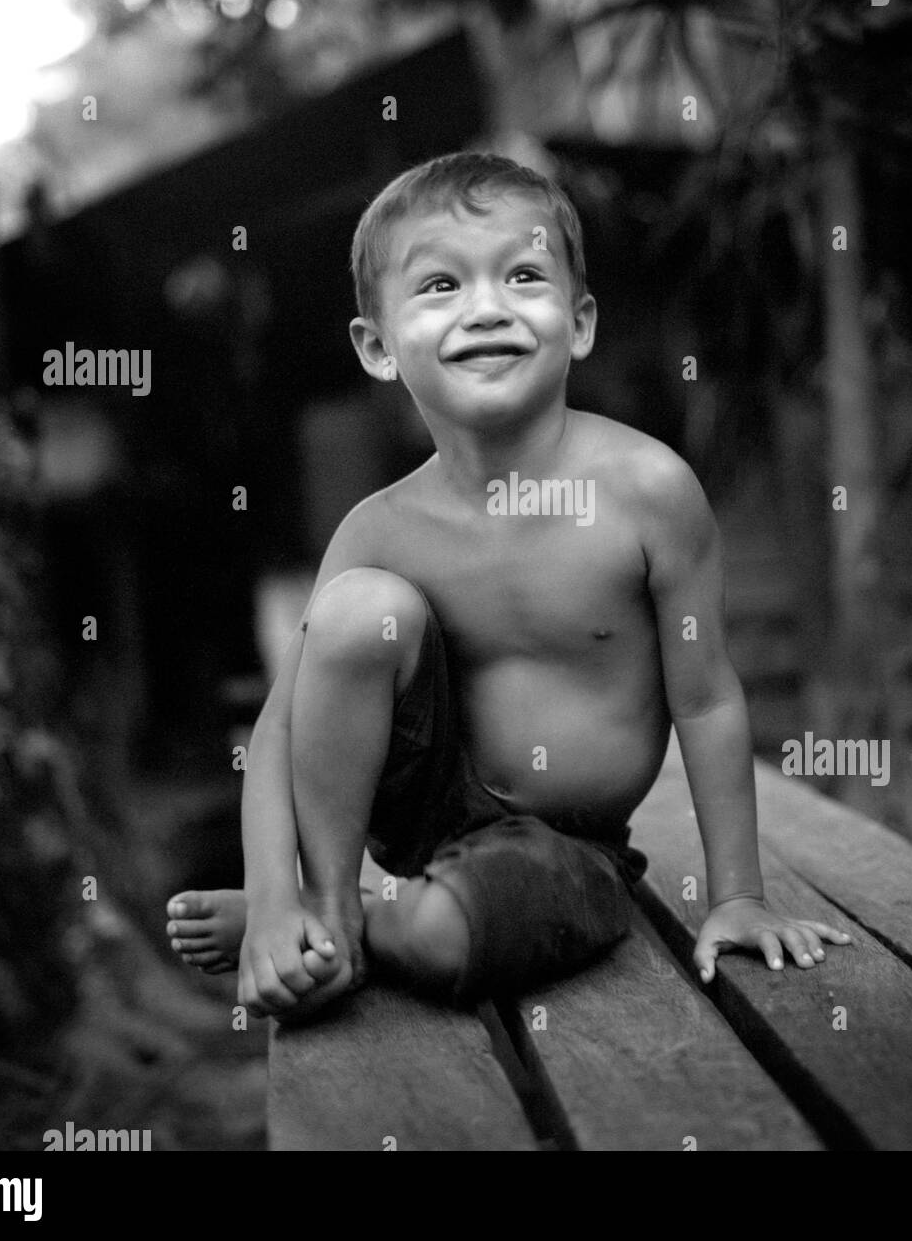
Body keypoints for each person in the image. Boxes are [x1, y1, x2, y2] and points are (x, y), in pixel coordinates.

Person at [166, 152, 850, 1019]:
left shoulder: (648, 491)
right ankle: (322, 910)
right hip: (415, 818)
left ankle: (361, 926)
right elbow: (279, 730)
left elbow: (708, 698)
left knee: (453, 936)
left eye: (523, 275)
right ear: (377, 348)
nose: (486, 307)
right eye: (441, 286)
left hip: (569, 847)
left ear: (581, 320)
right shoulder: (379, 527)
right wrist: (268, 901)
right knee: (357, 612)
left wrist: (737, 893)